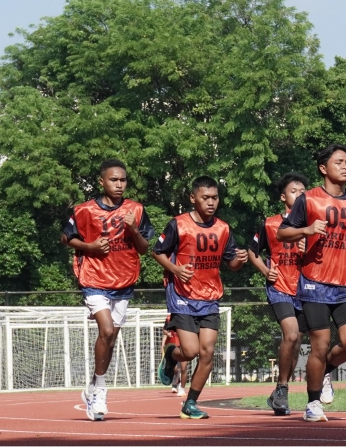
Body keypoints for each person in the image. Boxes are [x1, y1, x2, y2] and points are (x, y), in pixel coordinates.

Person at [277, 144, 346, 422]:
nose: (345, 166)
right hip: (315, 283)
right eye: (339, 161)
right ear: (323, 168)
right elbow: (283, 233)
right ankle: (313, 403)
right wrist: (306, 229)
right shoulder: (309, 199)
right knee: (319, 345)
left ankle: (323, 372)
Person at [61, 159, 156, 421]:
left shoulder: (136, 209)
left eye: (123, 180)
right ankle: (100, 392)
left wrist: (134, 229)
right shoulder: (84, 210)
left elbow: (145, 248)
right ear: (101, 181)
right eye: (113, 180)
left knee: (111, 337)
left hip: (124, 280)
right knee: (105, 329)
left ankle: (93, 384)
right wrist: (90, 247)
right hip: (93, 278)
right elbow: (66, 237)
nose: (119, 184)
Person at [152, 176, 248, 419]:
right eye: (205, 198)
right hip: (182, 296)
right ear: (193, 198)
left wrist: (240, 260)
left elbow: (232, 263)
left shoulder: (223, 228)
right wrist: (175, 270)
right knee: (191, 350)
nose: (211, 202)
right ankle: (172, 356)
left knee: (207, 353)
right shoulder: (178, 224)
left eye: (214, 197)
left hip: (210, 297)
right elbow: (157, 251)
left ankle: (190, 404)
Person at [248, 172, 310, 416]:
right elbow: (252, 251)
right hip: (280, 287)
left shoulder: (313, 225)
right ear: (283, 196)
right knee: (291, 334)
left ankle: (277, 392)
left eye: (304, 191)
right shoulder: (270, 223)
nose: (300, 194)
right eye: (295, 191)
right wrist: (265, 270)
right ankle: (283, 389)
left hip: (305, 290)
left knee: (296, 345)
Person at [161, 315, 188, 397]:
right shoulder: (169, 318)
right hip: (173, 346)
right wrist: (167, 334)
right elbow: (165, 331)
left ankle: (182, 388)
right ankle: (175, 383)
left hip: (184, 346)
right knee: (175, 369)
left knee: (183, 368)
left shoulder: (188, 318)